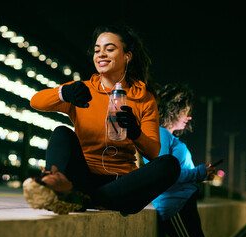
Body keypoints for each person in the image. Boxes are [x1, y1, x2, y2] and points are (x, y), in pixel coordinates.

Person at [23, 25, 181, 215]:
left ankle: (80, 198)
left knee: (170, 164)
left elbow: (154, 152)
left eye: (110, 49)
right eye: (97, 50)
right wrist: (64, 92)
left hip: (121, 184)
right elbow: (35, 102)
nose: (101, 55)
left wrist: (135, 132)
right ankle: (56, 185)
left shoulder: (144, 98)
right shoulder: (82, 90)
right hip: (83, 176)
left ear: (127, 56)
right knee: (61, 132)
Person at [143, 84, 216, 237]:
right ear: (173, 109)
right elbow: (161, 175)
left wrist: (203, 174)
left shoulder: (167, 136)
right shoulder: (161, 134)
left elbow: (174, 171)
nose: (189, 117)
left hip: (182, 205)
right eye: (186, 112)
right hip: (176, 207)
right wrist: (199, 172)